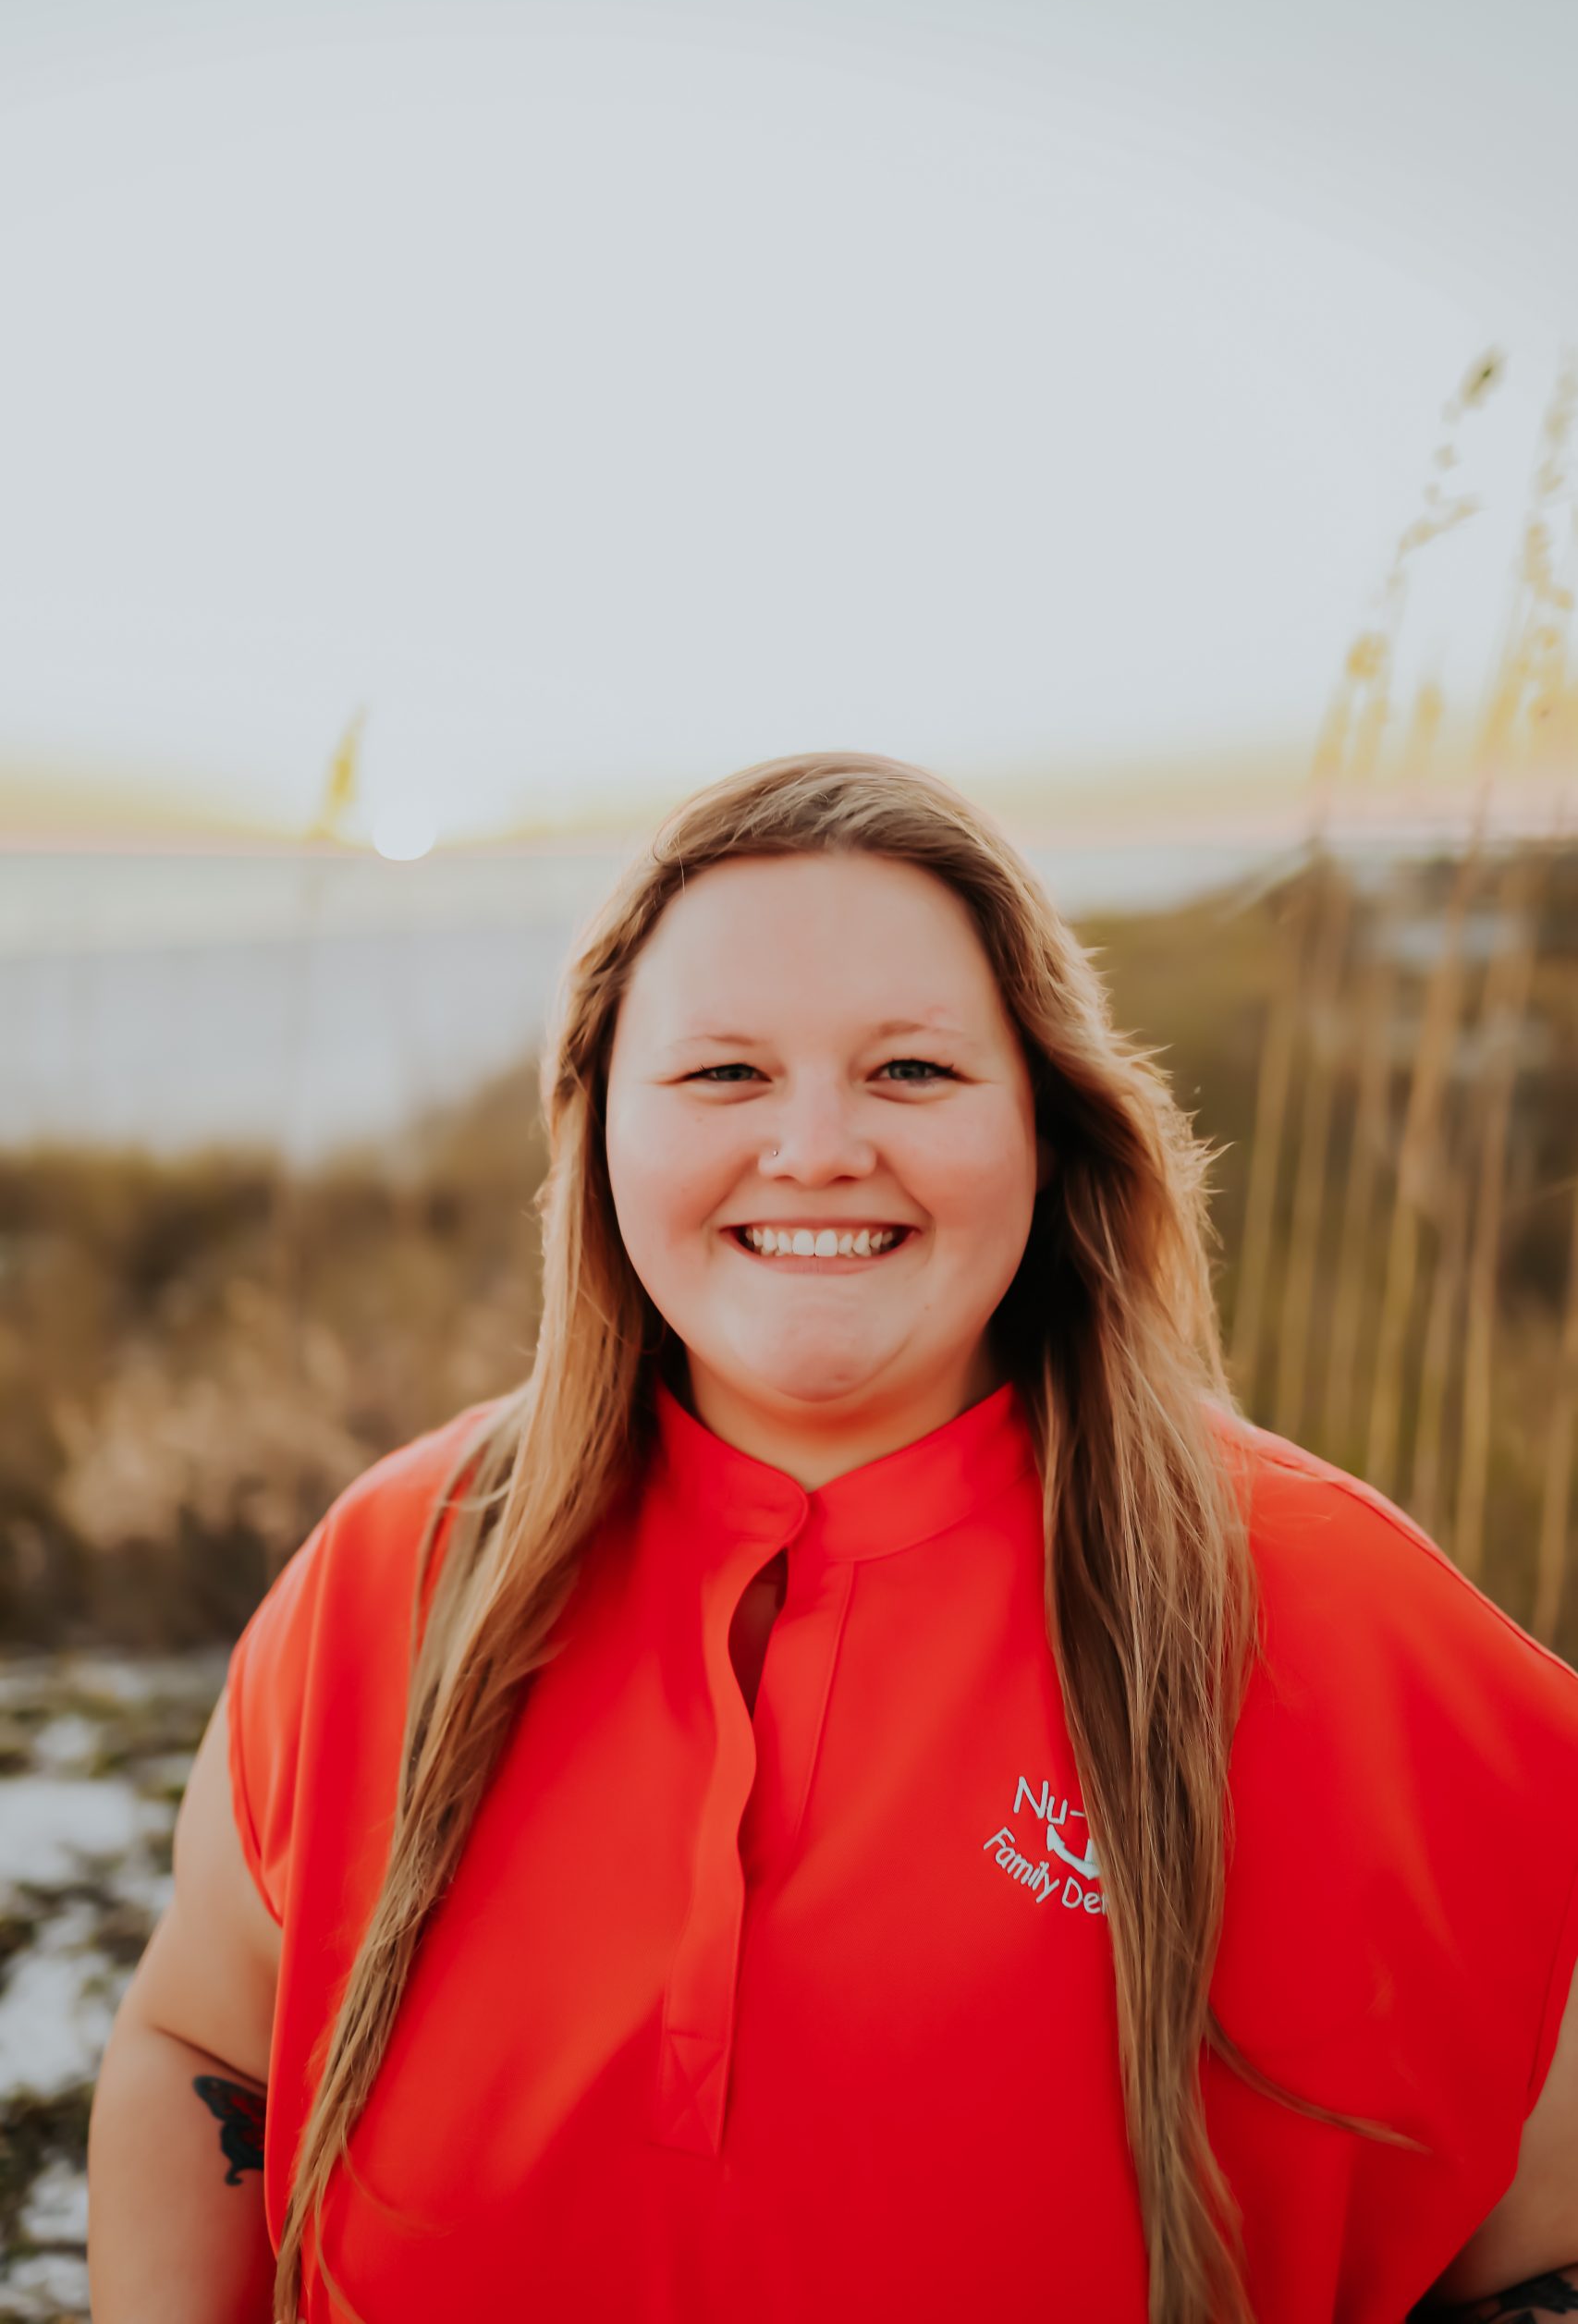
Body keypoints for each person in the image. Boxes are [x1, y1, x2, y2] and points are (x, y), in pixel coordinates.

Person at [88, 750, 1578, 2324]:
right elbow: (202, 2048)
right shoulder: (394, 1568)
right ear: (597, 1128)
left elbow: (1546, 2221)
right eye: (725, 1073)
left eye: (912, 1072)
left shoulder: (1315, 1600)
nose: (815, 1149)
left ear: (1046, 1127)